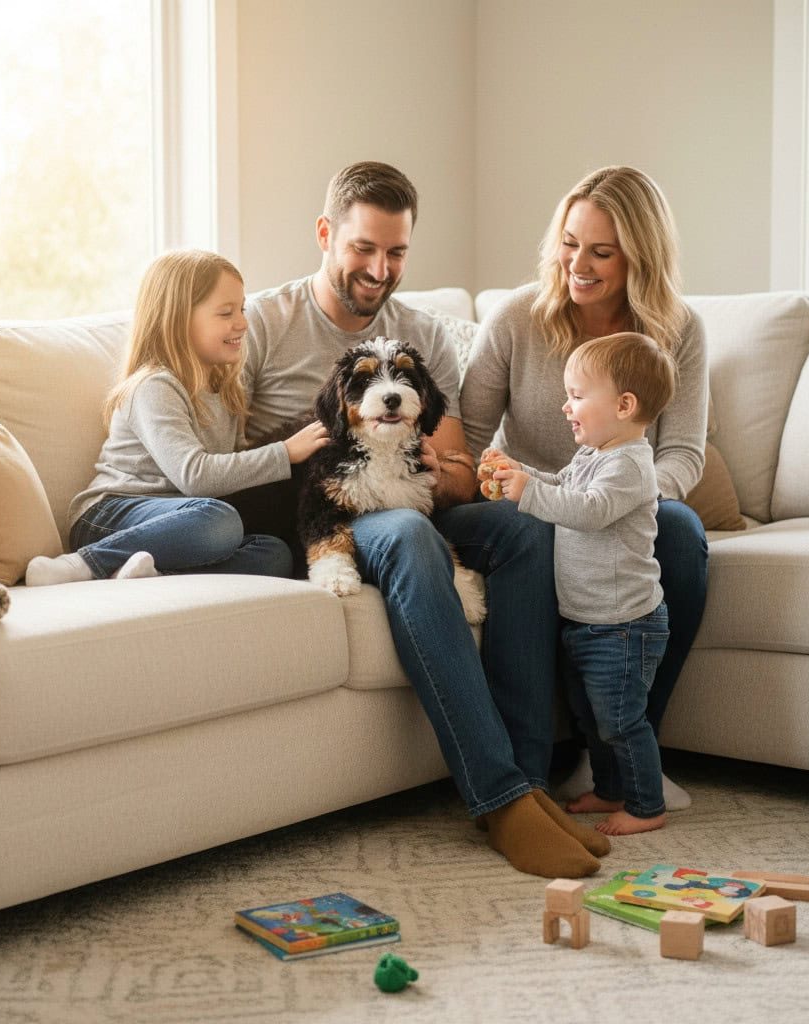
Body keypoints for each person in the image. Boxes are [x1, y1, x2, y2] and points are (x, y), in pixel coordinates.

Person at [242, 160, 608, 878]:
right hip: (327, 516)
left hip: (405, 494)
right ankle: (499, 797)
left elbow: (456, 474)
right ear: (325, 234)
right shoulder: (263, 324)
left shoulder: (423, 336)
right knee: (409, 536)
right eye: (363, 249)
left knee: (524, 531)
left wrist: (444, 469)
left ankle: (531, 777)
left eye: (397, 252)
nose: (380, 269)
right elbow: (229, 456)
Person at [460, 165, 708, 810]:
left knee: (680, 534)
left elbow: (681, 451)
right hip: (535, 499)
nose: (579, 262)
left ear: (639, 257)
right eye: (570, 243)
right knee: (530, 533)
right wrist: (490, 478)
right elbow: (468, 435)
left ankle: (630, 754)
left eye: (601, 251)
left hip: (625, 500)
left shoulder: (677, 330)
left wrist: (630, 504)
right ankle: (561, 763)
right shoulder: (517, 318)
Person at [25, 249, 329, 587]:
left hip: (179, 523)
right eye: (226, 312)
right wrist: (284, 453)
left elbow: (232, 469)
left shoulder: (225, 390)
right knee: (218, 519)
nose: (243, 323)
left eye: (241, 309)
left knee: (274, 553)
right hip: (111, 517)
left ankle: (151, 574)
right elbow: (195, 476)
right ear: (179, 320)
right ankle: (84, 563)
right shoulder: (154, 386)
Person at [488, 331, 677, 836]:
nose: (565, 406)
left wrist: (525, 492)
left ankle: (645, 804)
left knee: (620, 720)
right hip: (588, 620)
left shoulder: (631, 466)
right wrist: (517, 470)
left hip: (624, 625)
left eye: (576, 395)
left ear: (624, 405)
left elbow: (588, 512)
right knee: (591, 719)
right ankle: (611, 788)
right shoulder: (594, 454)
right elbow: (562, 487)